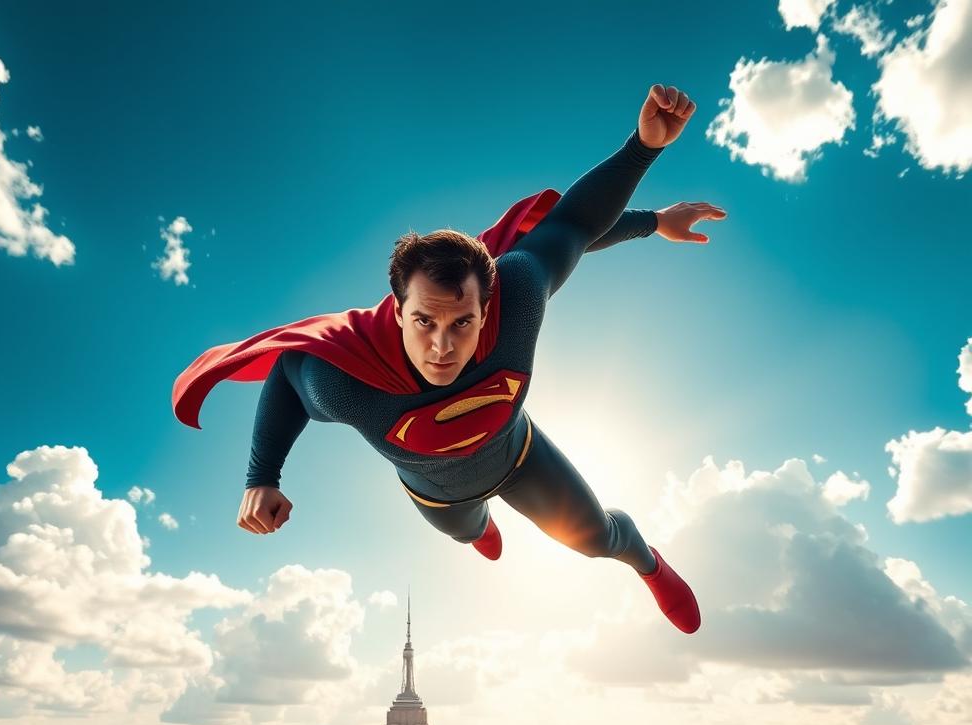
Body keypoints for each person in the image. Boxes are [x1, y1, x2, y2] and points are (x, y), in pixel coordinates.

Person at [173, 83, 724, 634]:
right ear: (396, 311)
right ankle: (481, 530)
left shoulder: (519, 292)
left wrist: (644, 156)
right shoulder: (349, 382)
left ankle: (648, 563)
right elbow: (289, 373)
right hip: (439, 496)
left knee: (597, 539)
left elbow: (575, 227)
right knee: (466, 530)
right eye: (424, 323)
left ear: (488, 308)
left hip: (522, 457)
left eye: (461, 322)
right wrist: (261, 476)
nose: (442, 347)